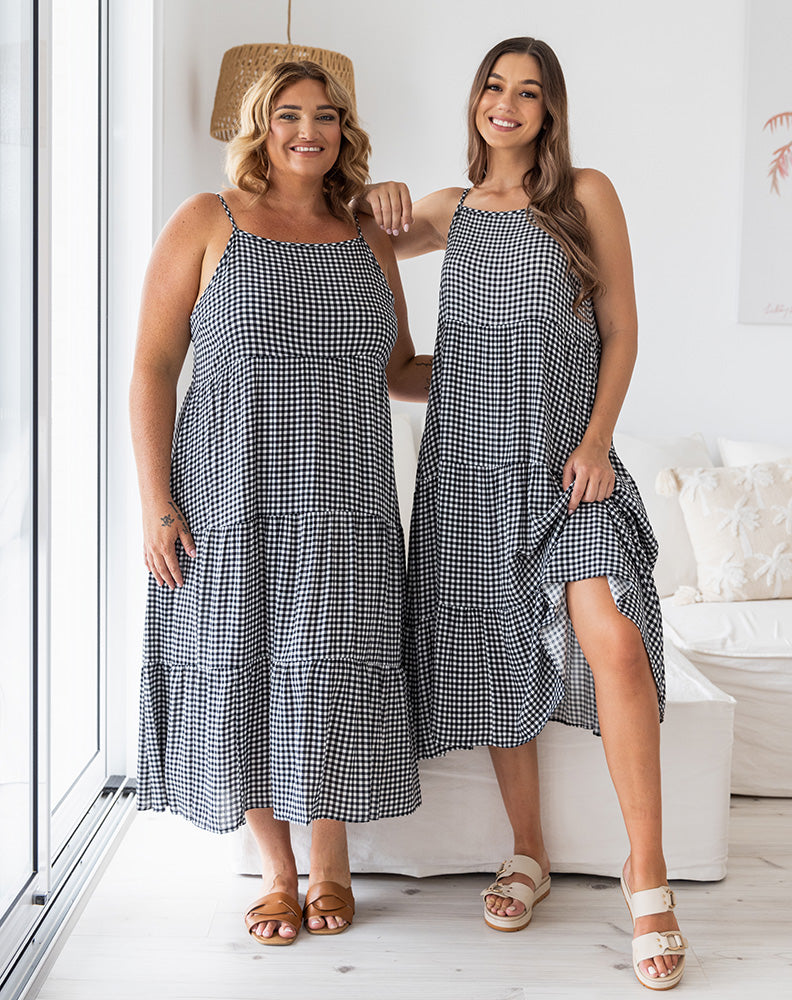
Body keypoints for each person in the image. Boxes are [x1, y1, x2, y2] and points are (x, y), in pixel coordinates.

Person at [359, 37, 687, 991]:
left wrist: (598, 439)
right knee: (495, 652)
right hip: (467, 474)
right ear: (475, 101)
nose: (507, 102)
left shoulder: (585, 194)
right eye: (494, 86)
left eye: (528, 91)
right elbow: (354, 267)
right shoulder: (447, 212)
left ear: (550, 111)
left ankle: (648, 875)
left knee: (611, 637)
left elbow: (622, 328)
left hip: (568, 465)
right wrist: (375, 203)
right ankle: (528, 852)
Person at [129, 60, 431, 946]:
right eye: (289, 114)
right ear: (259, 126)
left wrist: (503, 359)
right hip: (230, 495)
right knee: (244, 668)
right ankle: (276, 870)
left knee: (331, 675)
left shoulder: (369, 234)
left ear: (344, 131)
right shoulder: (206, 219)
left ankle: (330, 863)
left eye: (326, 115)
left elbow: (398, 368)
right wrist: (155, 503)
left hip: (349, 505)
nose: (309, 130)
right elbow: (152, 366)